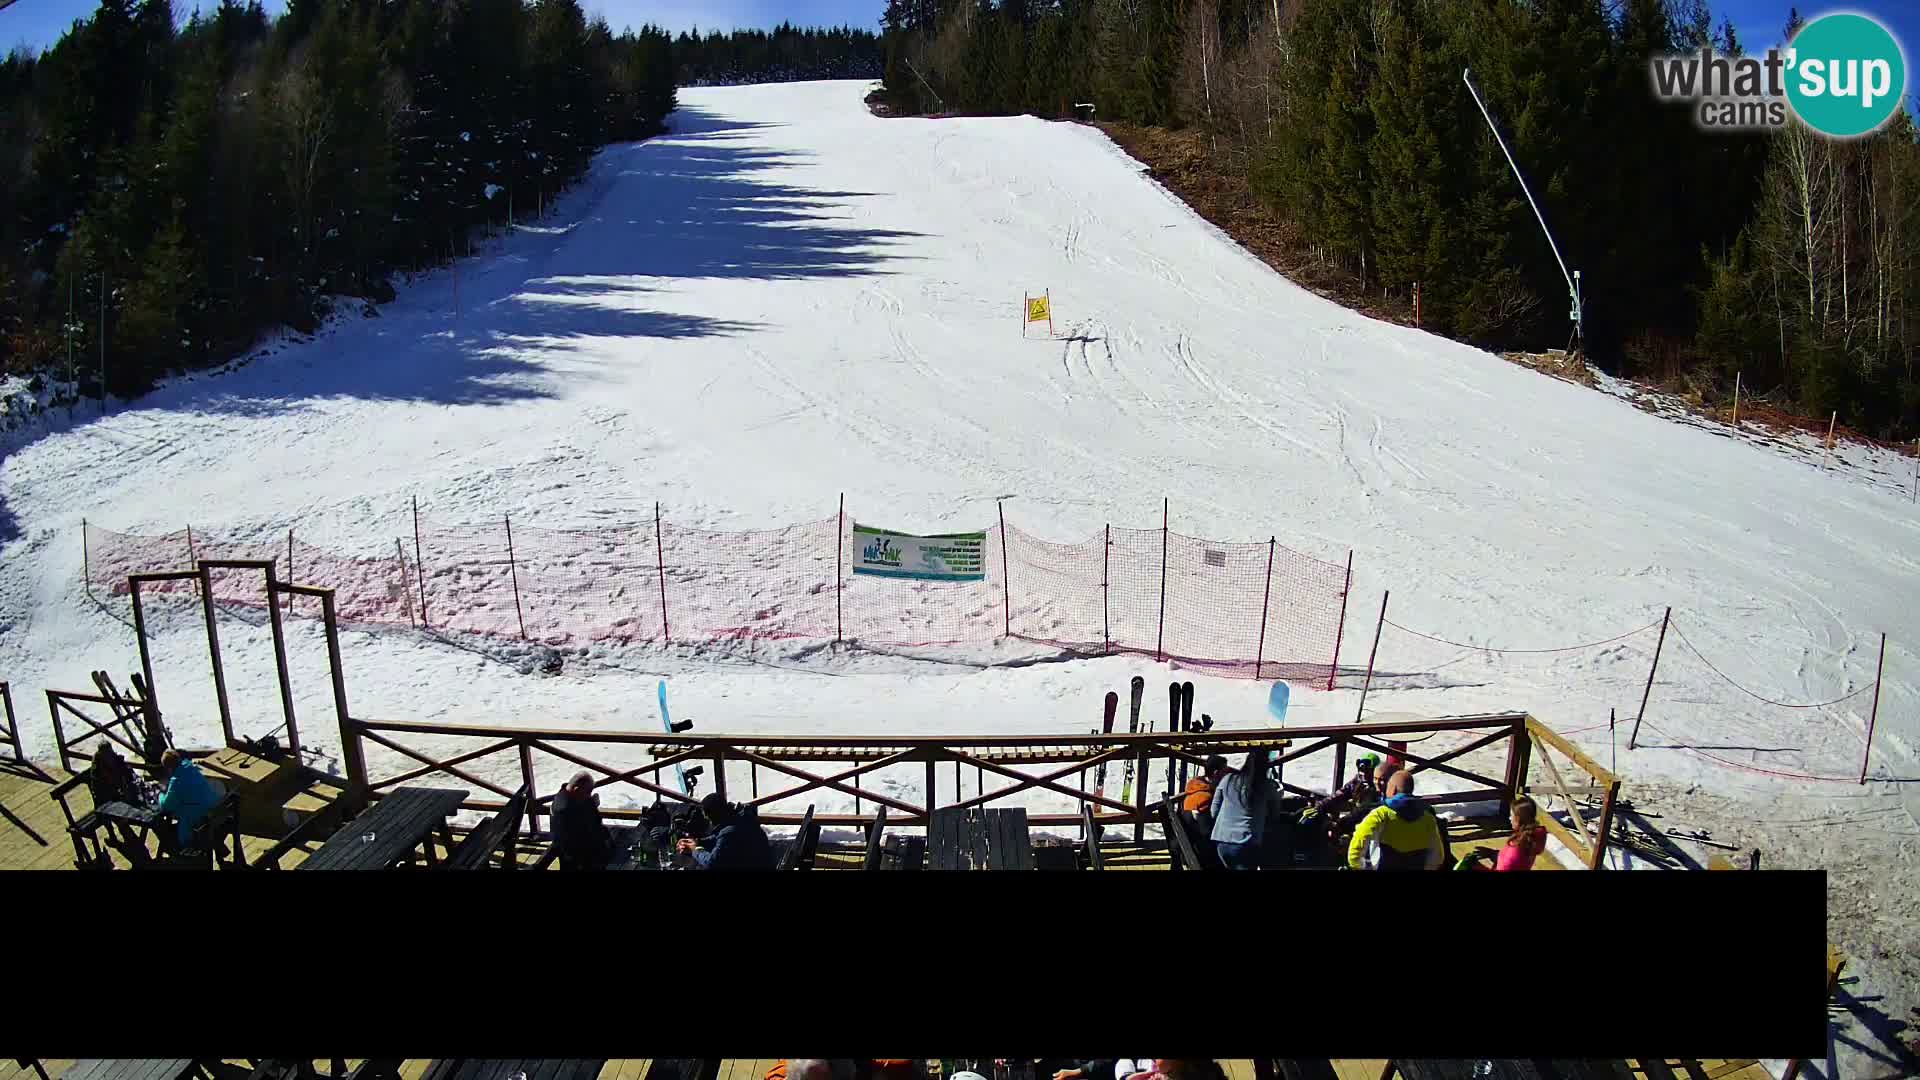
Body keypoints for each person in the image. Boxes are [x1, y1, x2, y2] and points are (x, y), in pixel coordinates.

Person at [1347, 769, 1445, 871]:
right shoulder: (1428, 818)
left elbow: (1356, 849)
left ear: (1392, 789)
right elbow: (1437, 857)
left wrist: (1361, 866)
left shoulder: (1380, 814)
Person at [1208, 748, 1274, 870]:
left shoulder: (1228, 779)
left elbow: (1214, 811)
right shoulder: (1267, 785)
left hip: (1222, 840)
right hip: (1246, 841)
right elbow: (1274, 814)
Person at [675, 792, 774, 870]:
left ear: (712, 816)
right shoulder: (739, 820)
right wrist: (699, 842)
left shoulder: (730, 831)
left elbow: (712, 863)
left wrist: (695, 849)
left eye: (707, 817)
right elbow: (719, 839)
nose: (707, 820)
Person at [1458, 796, 1547, 871]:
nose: (1509, 818)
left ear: (1519, 819)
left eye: (1511, 816)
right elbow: (1515, 864)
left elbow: (1510, 862)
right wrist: (1492, 853)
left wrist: (1475, 867)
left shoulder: (1516, 848)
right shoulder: (1530, 839)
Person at [155, 749, 220, 851]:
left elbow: (166, 805)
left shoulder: (176, 781)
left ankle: (183, 849)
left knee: (174, 819)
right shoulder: (191, 768)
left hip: (201, 820)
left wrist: (160, 794)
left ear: (169, 768)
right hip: (214, 811)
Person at [551, 771, 615, 870]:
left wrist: (592, 803)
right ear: (576, 789)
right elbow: (574, 841)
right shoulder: (564, 809)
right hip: (577, 857)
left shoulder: (573, 796)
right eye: (588, 792)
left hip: (587, 846)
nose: (589, 795)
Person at [88, 743, 144, 808]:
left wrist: (135, 778)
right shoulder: (97, 770)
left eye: (110, 752)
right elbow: (100, 790)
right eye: (106, 754)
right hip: (107, 798)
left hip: (120, 791)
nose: (109, 755)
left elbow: (129, 771)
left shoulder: (116, 759)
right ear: (101, 755)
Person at [1181, 756, 1230, 829]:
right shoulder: (1205, 797)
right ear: (1216, 773)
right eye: (1225, 772)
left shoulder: (1195, 787)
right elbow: (1206, 827)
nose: (1227, 776)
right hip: (1201, 836)